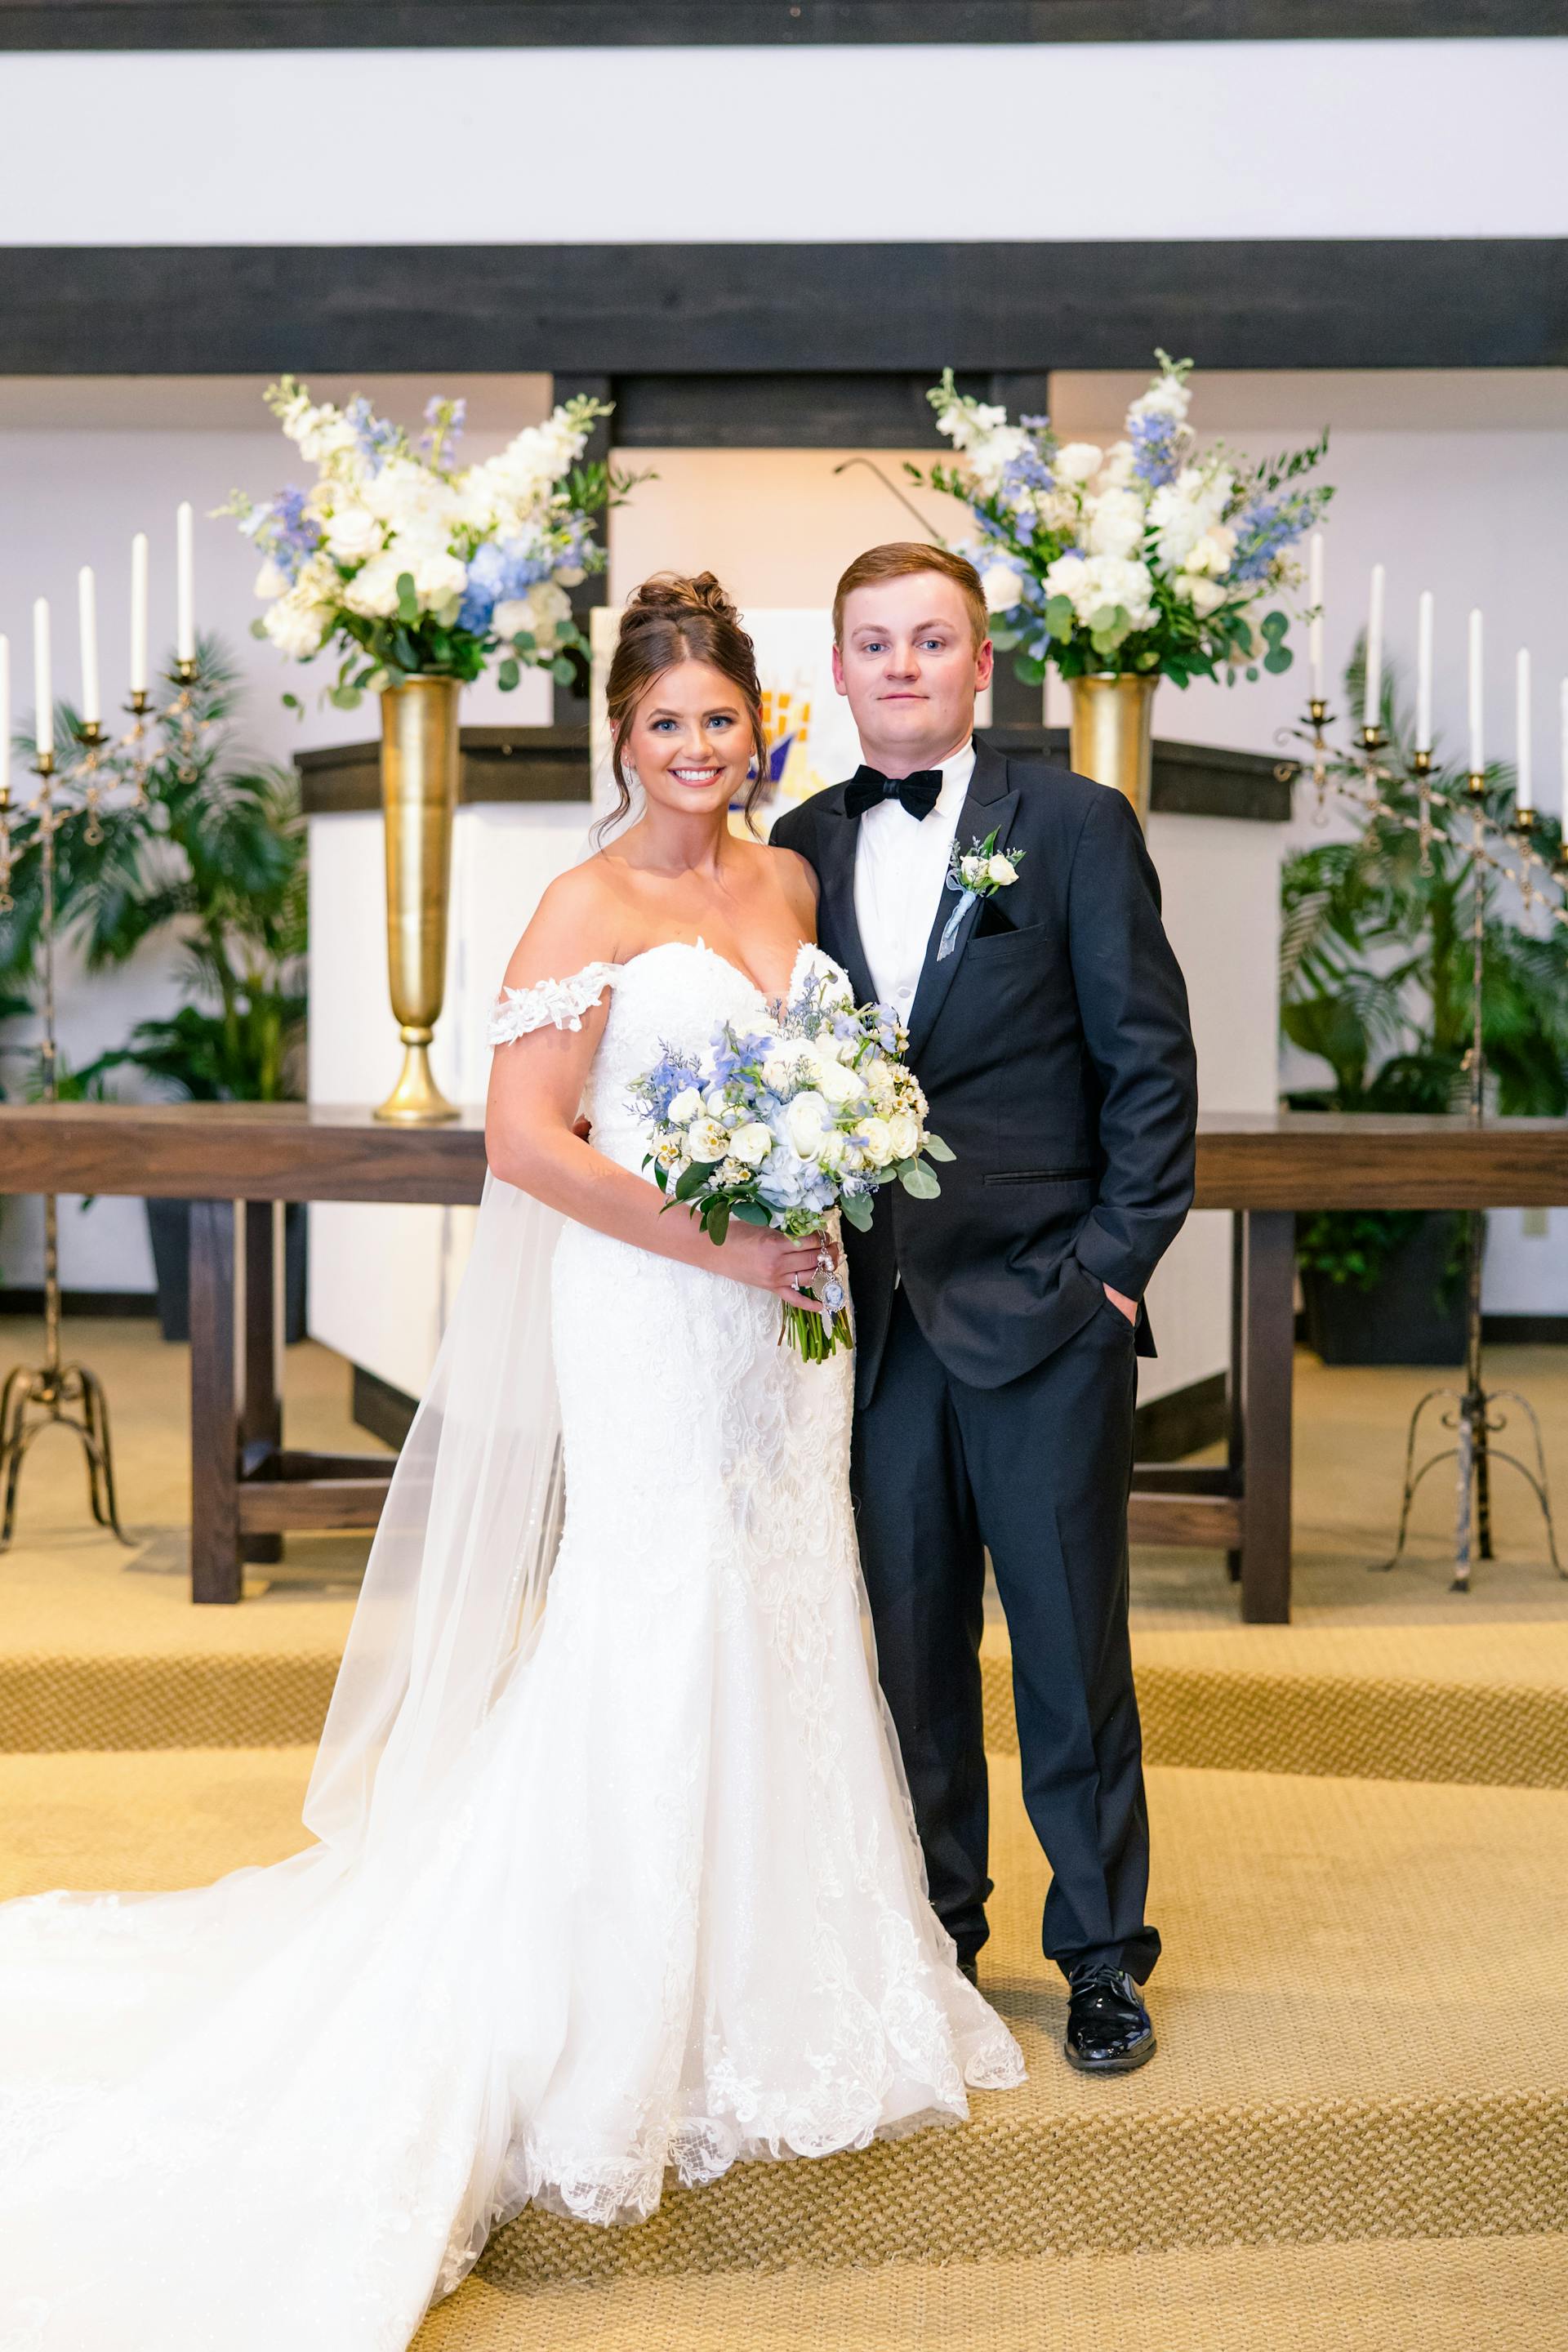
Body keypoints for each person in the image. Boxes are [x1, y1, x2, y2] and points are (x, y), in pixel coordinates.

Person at [0, 573, 1021, 2352]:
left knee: (792, 1592)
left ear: (756, 729)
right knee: (662, 1603)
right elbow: (528, 1143)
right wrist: (723, 1247)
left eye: (720, 720)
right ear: (620, 740)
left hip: (798, 1324)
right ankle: (621, 2009)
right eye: (664, 725)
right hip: (654, 1308)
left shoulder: (790, 881)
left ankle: (789, 1975)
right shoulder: (582, 904)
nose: (697, 750)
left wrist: (821, 1202)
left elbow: (841, 1095)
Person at [773, 543, 1197, 2074]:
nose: (901, 665)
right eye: (873, 642)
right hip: (873, 1322)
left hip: (1045, 1309)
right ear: (837, 668)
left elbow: (1148, 1061)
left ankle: (1099, 1954)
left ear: (979, 664)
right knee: (907, 1651)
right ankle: (937, 1937)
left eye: (930, 639)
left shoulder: (1074, 823)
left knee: (1072, 1648)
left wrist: (1111, 1270)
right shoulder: (796, 844)